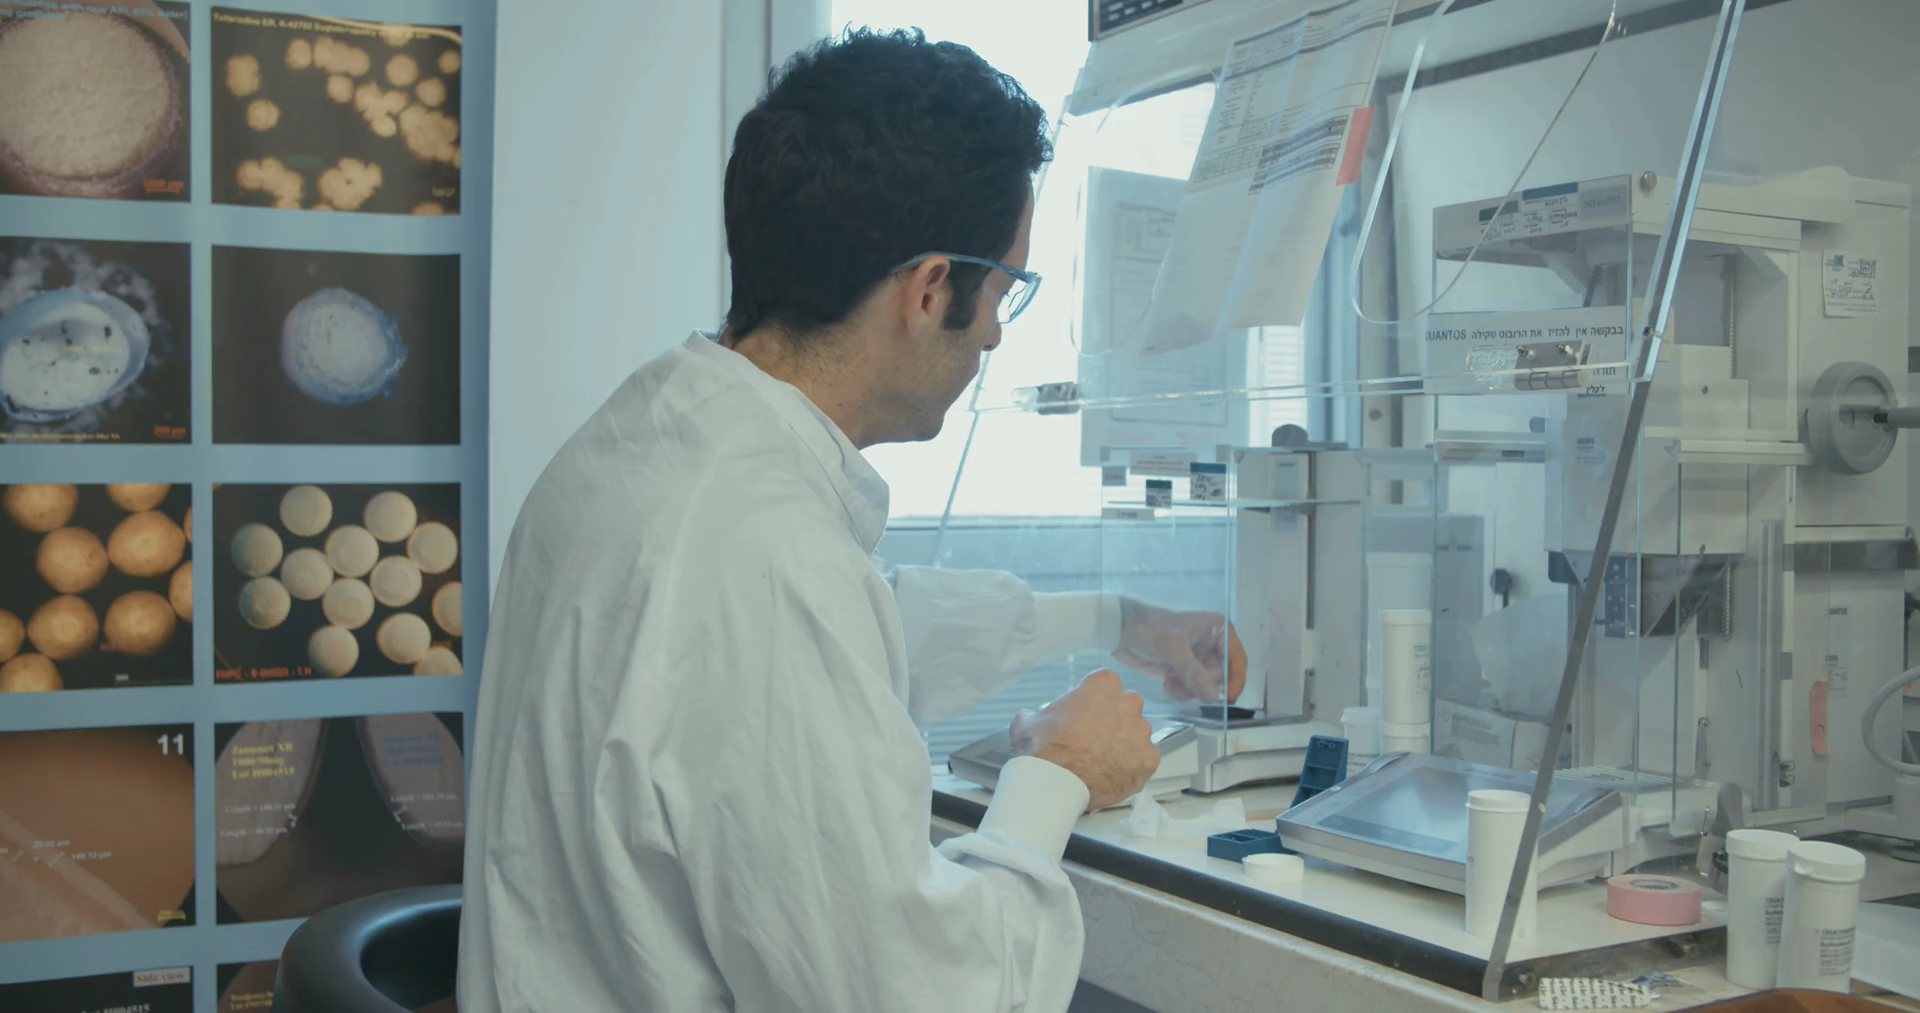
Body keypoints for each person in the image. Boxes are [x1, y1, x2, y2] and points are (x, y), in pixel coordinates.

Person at [460, 28, 1245, 1013]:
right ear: (927, 291)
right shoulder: (762, 553)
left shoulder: (655, 437)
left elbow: (847, 633)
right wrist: (1058, 775)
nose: (997, 330)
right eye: (1003, 288)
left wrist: (1114, 618)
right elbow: (922, 992)